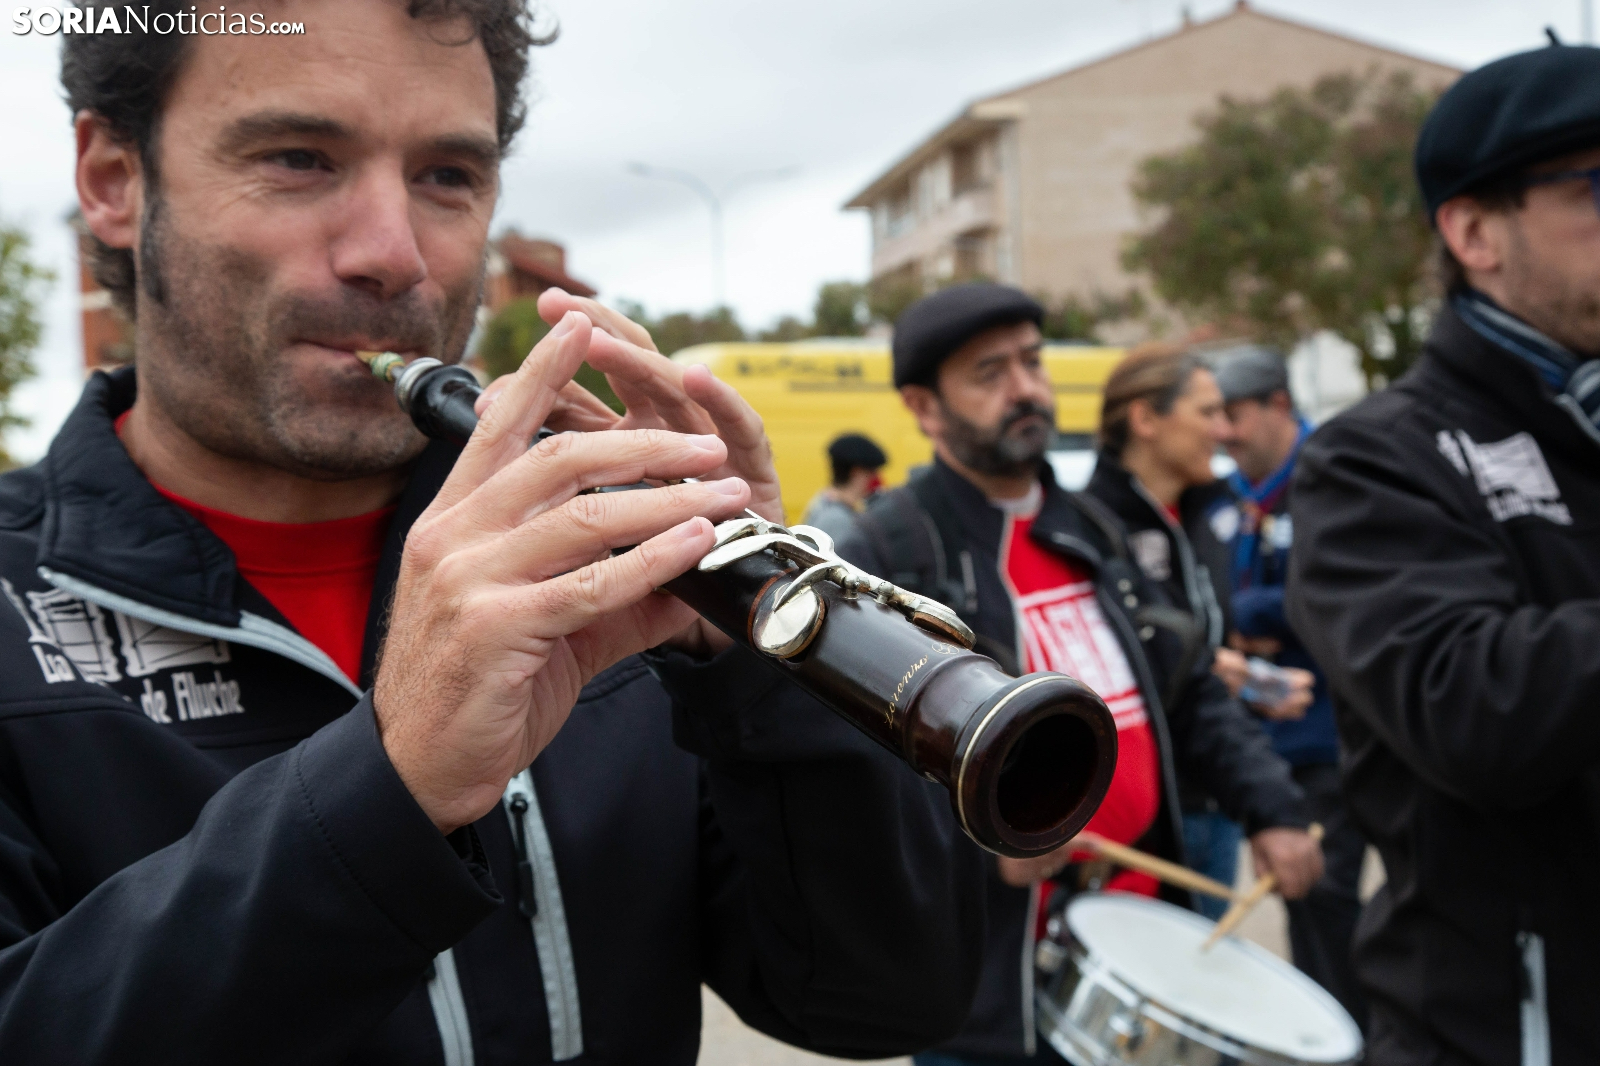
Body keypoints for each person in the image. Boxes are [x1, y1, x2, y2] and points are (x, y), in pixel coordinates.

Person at [0, 2, 988, 1061]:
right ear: (114, 178)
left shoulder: (597, 552)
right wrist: (384, 792)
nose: (394, 255)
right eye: (298, 158)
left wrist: (753, 663)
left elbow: (883, 1005)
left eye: (447, 176)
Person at [839, 283, 1323, 1064]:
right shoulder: (890, 552)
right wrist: (981, 840)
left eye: (1032, 362)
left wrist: (1271, 807)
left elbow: (1188, 686)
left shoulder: (1096, 526)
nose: (1026, 388)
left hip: (1138, 939)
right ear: (924, 407)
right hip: (994, 986)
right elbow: (853, 768)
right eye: (990, 372)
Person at [1286, 43, 1600, 1066]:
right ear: (1474, 233)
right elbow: (1470, 710)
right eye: (1593, 186)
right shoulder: (1375, 457)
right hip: (1508, 1024)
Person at [1085, 344, 1313, 921]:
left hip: (1216, 791)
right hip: (1151, 806)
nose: (1224, 431)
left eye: (1228, 414)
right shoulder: (1089, 532)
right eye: (1209, 412)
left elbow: (1200, 650)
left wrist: (1243, 677)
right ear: (1145, 419)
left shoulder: (1207, 512)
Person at [1208, 347, 1369, 1029]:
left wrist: (1240, 619)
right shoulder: (1240, 494)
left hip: (1333, 734)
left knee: (1326, 903)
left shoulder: (1330, 474)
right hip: (1272, 734)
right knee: (1306, 906)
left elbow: (1332, 591)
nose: (1223, 433)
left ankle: (1344, 1038)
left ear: (1279, 404)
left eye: (1234, 415)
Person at [800, 432, 887, 543]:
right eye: (871, 472)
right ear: (856, 472)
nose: (875, 479)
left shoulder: (825, 503)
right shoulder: (838, 520)